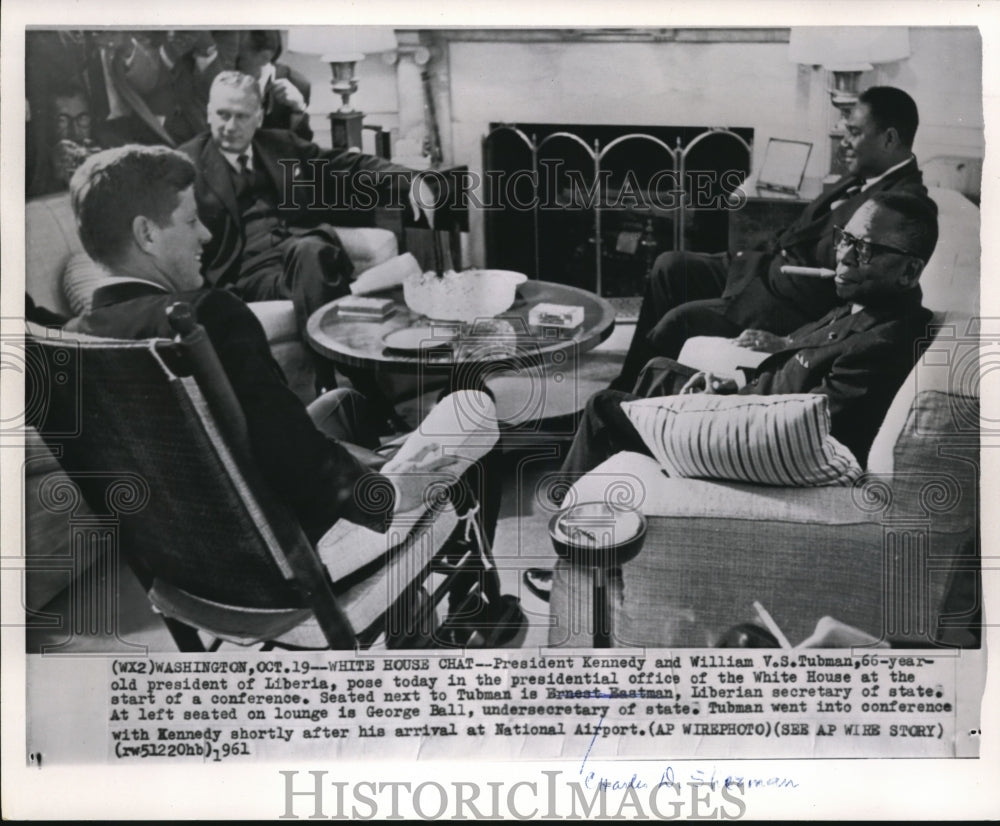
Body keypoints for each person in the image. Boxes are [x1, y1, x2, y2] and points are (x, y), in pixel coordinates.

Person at [64, 145, 496, 550]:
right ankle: (475, 601)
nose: (207, 235)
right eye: (191, 221)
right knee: (473, 407)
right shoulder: (209, 316)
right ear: (147, 234)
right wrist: (389, 490)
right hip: (296, 556)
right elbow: (294, 465)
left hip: (196, 571)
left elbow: (264, 444)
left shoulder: (70, 338)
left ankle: (404, 561)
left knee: (345, 404)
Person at [525, 191, 937, 601]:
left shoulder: (885, 340)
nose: (844, 256)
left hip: (752, 440)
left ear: (908, 270)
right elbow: (797, 368)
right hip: (748, 405)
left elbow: (820, 434)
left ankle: (570, 567)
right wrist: (732, 386)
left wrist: (719, 411)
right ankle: (597, 481)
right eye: (844, 238)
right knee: (654, 374)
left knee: (602, 410)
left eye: (865, 249)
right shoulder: (865, 305)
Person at [611, 86, 934, 392]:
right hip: (763, 272)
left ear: (889, 138)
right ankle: (628, 384)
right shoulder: (859, 177)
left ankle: (636, 405)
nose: (844, 141)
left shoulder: (901, 206)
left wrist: (791, 340)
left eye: (854, 132)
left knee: (677, 322)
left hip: (786, 305)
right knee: (670, 266)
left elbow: (859, 296)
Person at [179, 70, 432, 335]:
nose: (230, 126)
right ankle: (353, 353)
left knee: (312, 253)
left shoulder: (280, 145)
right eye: (222, 114)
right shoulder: (187, 164)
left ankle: (330, 372)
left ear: (258, 117)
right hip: (250, 276)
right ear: (208, 113)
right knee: (318, 262)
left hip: (301, 256)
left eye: (241, 116)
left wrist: (410, 179)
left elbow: (347, 165)